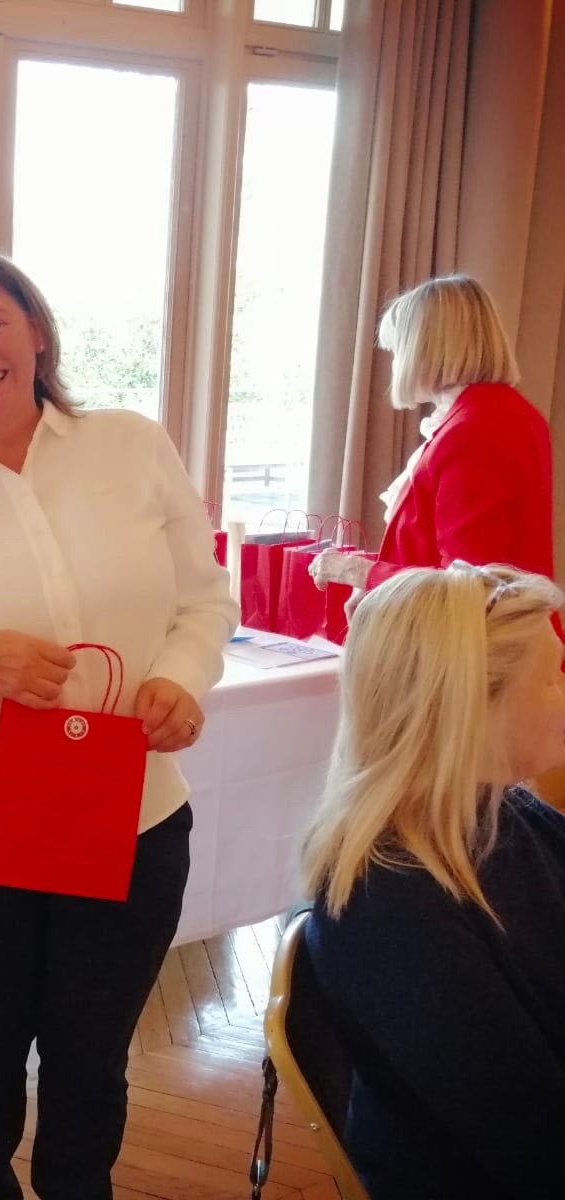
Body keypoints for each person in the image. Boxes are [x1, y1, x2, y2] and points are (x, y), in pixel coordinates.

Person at [0, 247, 237, 1199]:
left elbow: (204, 600)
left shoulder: (131, 445)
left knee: (91, 1055)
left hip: (131, 817)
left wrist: (182, 678)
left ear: (35, 331)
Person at [301, 563, 565, 1198]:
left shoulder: (502, 812)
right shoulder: (387, 907)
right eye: (553, 676)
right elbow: (535, 1142)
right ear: (474, 705)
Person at [310, 274, 553, 602]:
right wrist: (372, 581)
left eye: (397, 351)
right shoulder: (507, 412)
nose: (395, 364)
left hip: (477, 635)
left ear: (424, 349)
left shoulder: (471, 430)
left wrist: (359, 572)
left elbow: (467, 584)